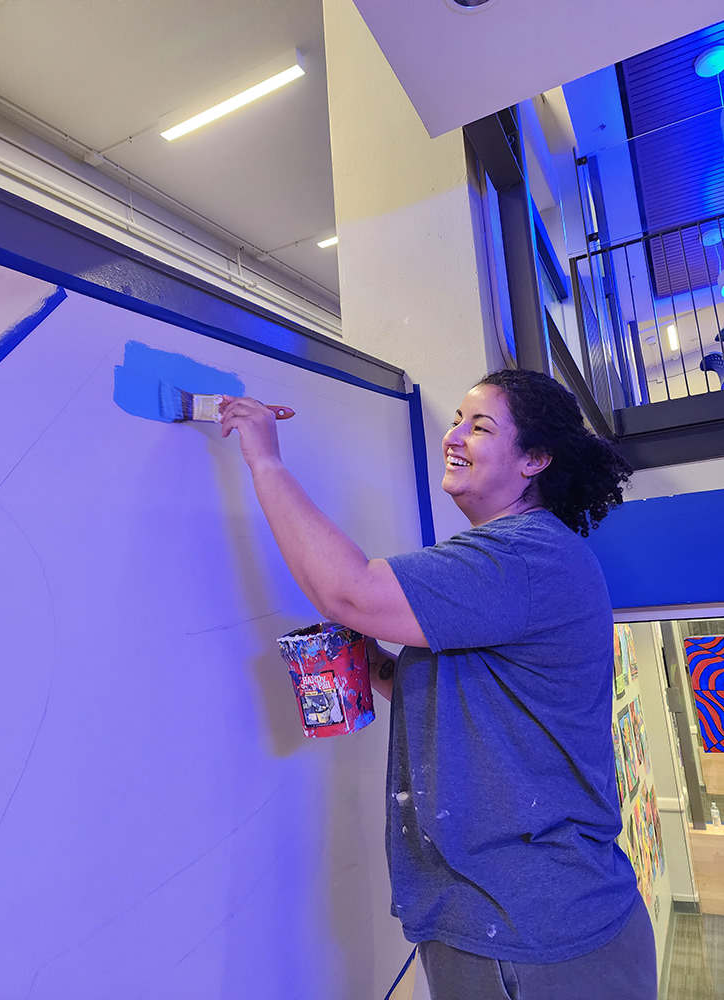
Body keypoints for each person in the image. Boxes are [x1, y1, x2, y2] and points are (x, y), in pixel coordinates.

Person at [218, 367, 657, 1000]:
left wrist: (266, 461)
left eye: (480, 427)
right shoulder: (521, 557)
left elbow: (349, 591)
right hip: (518, 919)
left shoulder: (522, 555)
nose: (453, 437)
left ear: (534, 460)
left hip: (532, 929)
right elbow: (475, 695)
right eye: (456, 420)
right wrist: (373, 661)